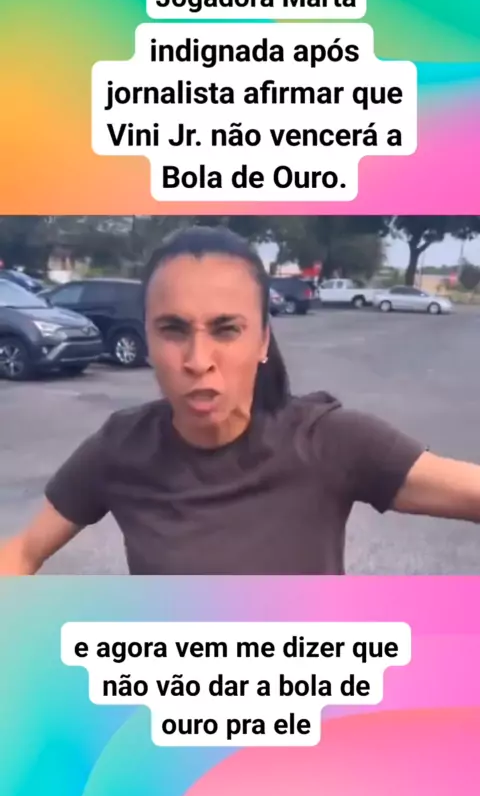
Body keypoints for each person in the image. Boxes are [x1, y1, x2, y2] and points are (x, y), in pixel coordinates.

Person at [0, 226, 479, 576]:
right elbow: (22, 552)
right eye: (173, 330)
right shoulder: (120, 448)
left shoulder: (331, 441)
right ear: (146, 338)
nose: (198, 360)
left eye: (226, 329)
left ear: (263, 340)